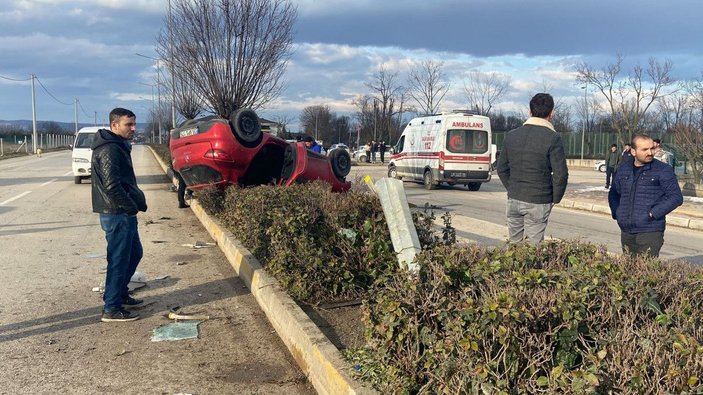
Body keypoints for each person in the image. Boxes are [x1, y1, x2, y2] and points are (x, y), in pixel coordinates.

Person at [91, 108, 147, 322]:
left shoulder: (117, 146)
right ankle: (112, 308)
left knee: (134, 253)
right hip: (117, 212)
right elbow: (112, 186)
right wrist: (130, 207)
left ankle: (120, 294)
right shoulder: (109, 150)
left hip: (120, 212)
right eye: (128, 125)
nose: (133, 128)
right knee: (119, 258)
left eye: (134, 124)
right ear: (114, 125)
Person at [496, 93, 568, 244]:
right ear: (552, 113)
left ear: (529, 112)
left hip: (514, 198)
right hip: (539, 199)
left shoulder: (512, 135)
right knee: (533, 251)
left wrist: (513, 187)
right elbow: (560, 175)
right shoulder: (553, 138)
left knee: (514, 248)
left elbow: (501, 168)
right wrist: (555, 198)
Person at [608, 135, 683, 257]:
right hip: (626, 230)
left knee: (645, 271)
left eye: (652, 148)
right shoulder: (623, 168)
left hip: (650, 230)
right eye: (644, 150)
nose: (650, 152)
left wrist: (652, 213)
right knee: (628, 269)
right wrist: (617, 212)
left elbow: (675, 197)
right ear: (633, 151)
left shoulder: (663, 170)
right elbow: (614, 192)